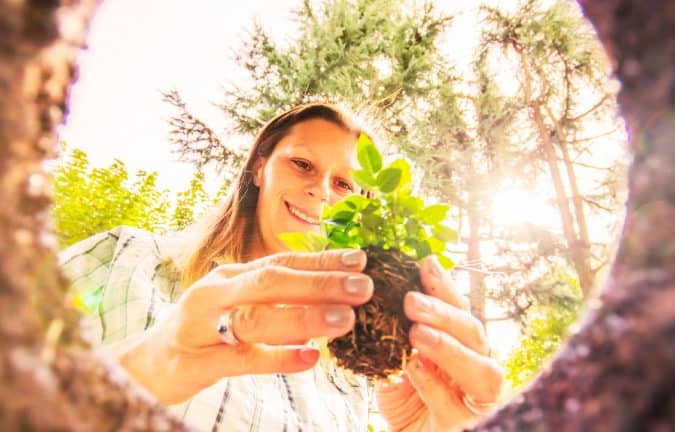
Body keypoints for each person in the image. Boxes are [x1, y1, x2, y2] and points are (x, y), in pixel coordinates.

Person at [60, 103, 503, 431]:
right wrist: (144, 366)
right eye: (302, 164)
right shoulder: (129, 260)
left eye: (344, 184)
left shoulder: (346, 382)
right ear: (259, 167)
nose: (321, 192)